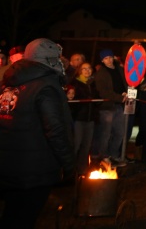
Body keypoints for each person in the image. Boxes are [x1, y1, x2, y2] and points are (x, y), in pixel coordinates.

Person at [0, 38, 75, 228]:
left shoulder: (9, 82)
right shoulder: (46, 86)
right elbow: (55, 130)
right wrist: (68, 164)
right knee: (24, 219)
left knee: (11, 215)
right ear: (50, 60)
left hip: (8, 165)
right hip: (34, 170)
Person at [91, 48, 129, 168]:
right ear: (102, 60)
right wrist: (119, 97)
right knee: (105, 133)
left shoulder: (119, 70)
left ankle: (113, 155)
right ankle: (104, 156)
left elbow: (127, 82)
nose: (109, 60)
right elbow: (103, 92)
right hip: (107, 107)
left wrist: (127, 93)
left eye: (110, 57)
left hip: (119, 105)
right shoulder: (101, 74)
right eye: (106, 58)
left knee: (120, 132)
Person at [69, 61, 101, 176]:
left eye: (89, 68)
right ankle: (70, 170)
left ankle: (82, 170)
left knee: (86, 146)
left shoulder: (93, 83)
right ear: (80, 71)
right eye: (84, 69)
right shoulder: (75, 83)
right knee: (76, 145)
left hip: (90, 119)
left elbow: (98, 99)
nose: (87, 71)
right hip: (78, 119)